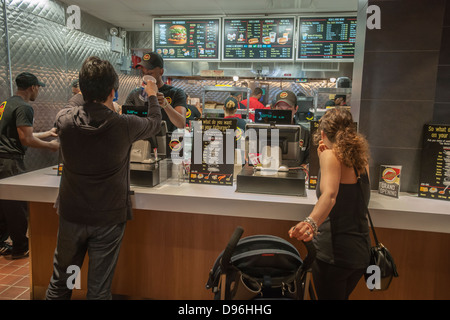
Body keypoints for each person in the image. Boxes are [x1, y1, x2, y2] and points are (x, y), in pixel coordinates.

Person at [45, 56, 162, 300]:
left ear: (81, 89)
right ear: (113, 92)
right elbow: (154, 123)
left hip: (71, 215)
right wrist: (151, 93)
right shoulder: (124, 125)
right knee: (98, 291)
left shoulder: (65, 120)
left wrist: (87, 92)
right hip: (108, 218)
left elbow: (72, 104)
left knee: (62, 282)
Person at [288, 108, 371, 300]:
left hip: (334, 253)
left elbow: (330, 196)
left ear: (323, 134)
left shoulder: (330, 156)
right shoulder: (362, 159)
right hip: (359, 254)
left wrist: (310, 223)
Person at [0, 72, 59, 259]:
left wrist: (47, 133)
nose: (38, 91)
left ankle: (1, 242)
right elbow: (26, 139)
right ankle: (20, 247)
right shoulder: (25, 107)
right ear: (33, 87)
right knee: (16, 205)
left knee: (3, 205)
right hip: (10, 162)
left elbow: (21, 134)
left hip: (2, 159)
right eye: (38, 87)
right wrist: (50, 145)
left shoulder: (6, 104)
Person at [124, 52, 186, 132]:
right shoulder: (135, 94)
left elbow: (181, 124)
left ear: (161, 72)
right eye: (143, 73)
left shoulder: (175, 93)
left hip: (167, 143)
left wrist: (166, 105)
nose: (146, 77)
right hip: (141, 142)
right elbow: (126, 123)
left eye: (150, 73)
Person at [273, 90, 309, 165]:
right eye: (280, 109)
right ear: (275, 109)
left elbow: (308, 159)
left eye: (288, 109)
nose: (283, 113)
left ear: (296, 109)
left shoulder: (304, 133)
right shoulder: (267, 130)